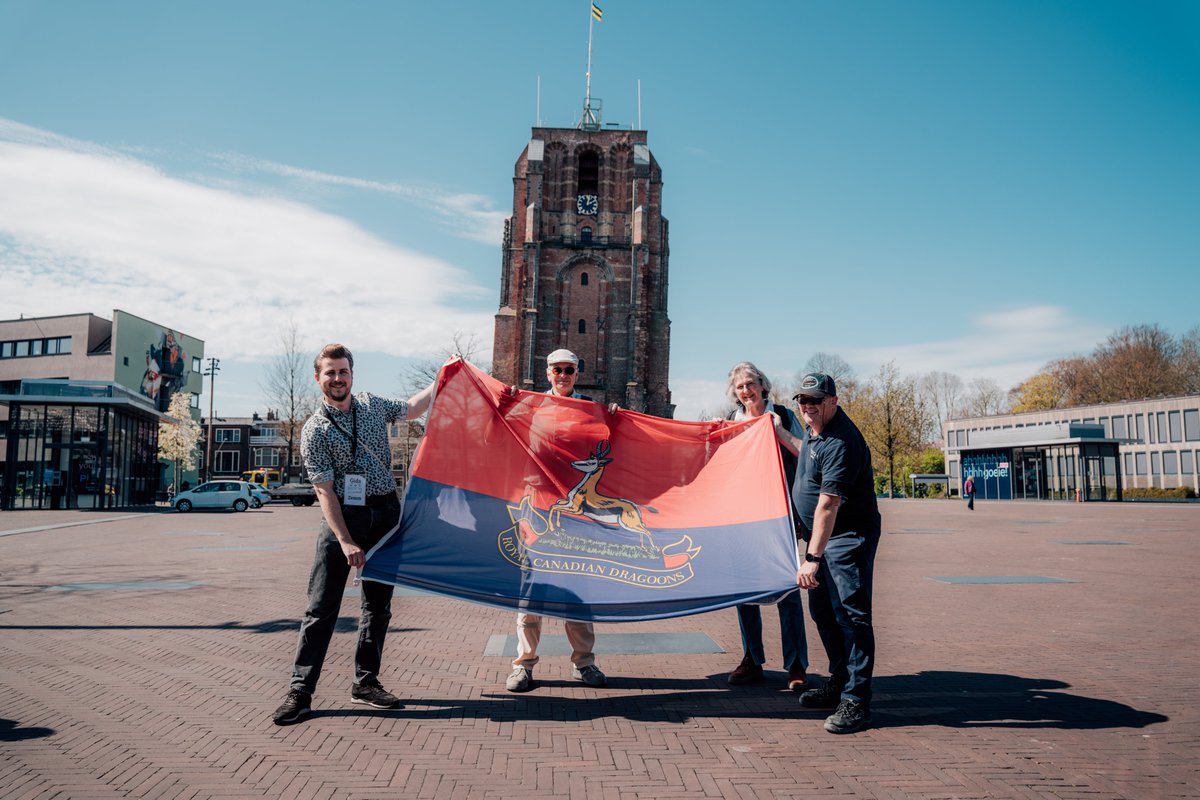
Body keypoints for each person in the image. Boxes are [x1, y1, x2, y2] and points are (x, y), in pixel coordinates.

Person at [272, 343, 439, 725]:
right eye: (330, 373)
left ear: (351, 374)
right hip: (344, 518)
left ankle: (366, 683)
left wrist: (444, 375)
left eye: (343, 371)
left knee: (377, 608)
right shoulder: (314, 430)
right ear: (318, 378)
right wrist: (345, 539)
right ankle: (300, 692)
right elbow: (324, 491)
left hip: (386, 514)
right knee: (321, 608)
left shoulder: (370, 404)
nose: (337, 378)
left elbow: (412, 409)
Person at [505, 348, 609, 693]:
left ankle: (584, 662)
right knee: (531, 590)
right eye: (557, 370)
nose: (563, 375)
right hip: (537, 506)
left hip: (574, 512)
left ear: (577, 373)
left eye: (569, 370)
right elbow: (502, 430)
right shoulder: (531, 406)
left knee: (577, 588)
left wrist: (615, 418)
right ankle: (523, 665)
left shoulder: (590, 410)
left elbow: (611, 445)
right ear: (547, 372)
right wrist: (503, 399)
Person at [792, 373, 881, 734]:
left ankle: (856, 700)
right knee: (823, 612)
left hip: (846, 538)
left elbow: (828, 504)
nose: (807, 406)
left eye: (815, 400)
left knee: (851, 616)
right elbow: (805, 455)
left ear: (833, 401)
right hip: (822, 539)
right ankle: (839, 680)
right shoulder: (814, 432)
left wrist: (812, 558)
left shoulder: (842, 441)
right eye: (803, 400)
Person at [720, 362, 810, 691]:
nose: (746, 390)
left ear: (762, 385)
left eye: (751, 383)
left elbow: (806, 454)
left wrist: (779, 431)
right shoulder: (732, 420)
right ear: (735, 392)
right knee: (744, 590)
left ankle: (796, 665)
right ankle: (752, 658)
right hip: (743, 516)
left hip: (780, 514)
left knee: (787, 588)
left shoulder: (783, 415)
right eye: (740, 386)